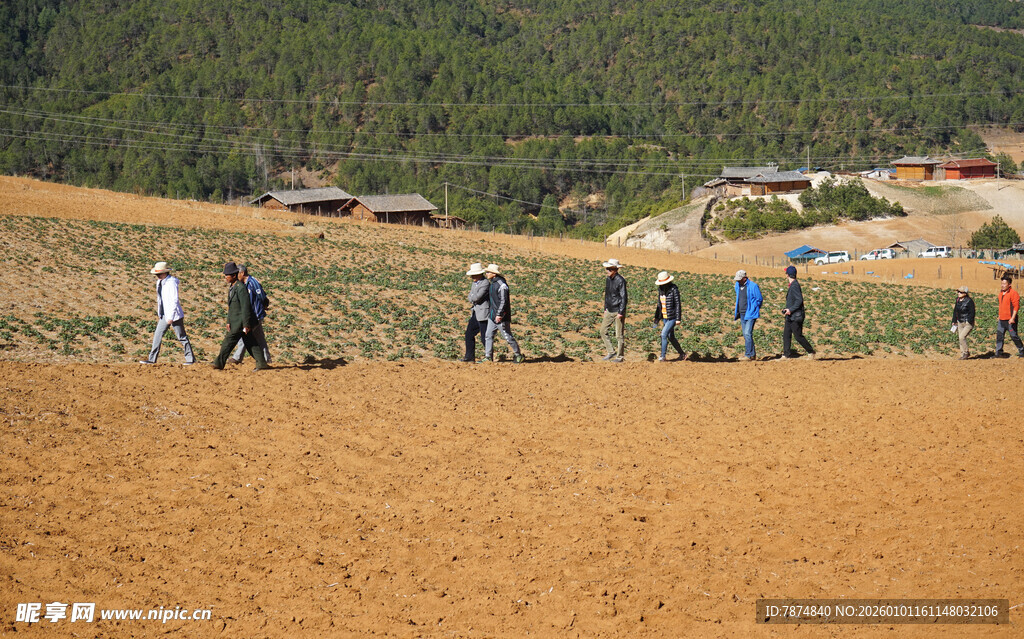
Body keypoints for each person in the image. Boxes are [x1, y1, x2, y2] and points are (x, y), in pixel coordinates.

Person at [211, 262, 268, 371]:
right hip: (235, 321)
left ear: (233, 275)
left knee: (228, 342)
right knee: (251, 343)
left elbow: (245, 307)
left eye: (227, 275)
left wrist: (246, 325)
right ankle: (261, 363)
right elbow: (232, 307)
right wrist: (228, 321)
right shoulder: (233, 287)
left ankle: (219, 363)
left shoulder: (241, 288)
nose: (225, 277)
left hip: (240, 322)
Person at [139, 261, 195, 365]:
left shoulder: (171, 282)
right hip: (164, 314)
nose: (157, 276)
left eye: (159, 274)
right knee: (157, 335)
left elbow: (174, 300)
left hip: (174, 314)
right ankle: (152, 359)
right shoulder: (160, 282)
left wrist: (171, 317)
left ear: (165, 273)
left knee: (181, 336)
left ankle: (190, 359)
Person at [228, 264, 271, 365]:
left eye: (237, 274)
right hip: (251, 315)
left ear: (242, 273)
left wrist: (264, 305)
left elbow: (262, 296)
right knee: (259, 337)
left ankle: (237, 357)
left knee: (244, 334)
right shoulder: (242, 284)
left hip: (255, 315)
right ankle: (266, 359)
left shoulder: (252, 282)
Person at [482, 264, 525, 363]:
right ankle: (488, 356)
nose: (486, 274)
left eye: (488, 272)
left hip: (501, 317)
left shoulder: (502, 285)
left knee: (507, 337)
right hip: (492, 315)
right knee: (488, 335)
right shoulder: (493, 283)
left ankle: (518, 355)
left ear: (494, 274)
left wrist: (499, 314)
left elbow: (503, 301)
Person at [780, 265, 815, 359]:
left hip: (796, 316)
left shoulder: (795, 285)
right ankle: (786, 354)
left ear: (787, 275)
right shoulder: (793, 284)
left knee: (798, 336)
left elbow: (799, 300)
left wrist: (790, 309)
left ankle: (811, 352)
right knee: (786, 335)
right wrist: (787, 310)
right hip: (790, 315)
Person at [653, 271, 685, 361]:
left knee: (663, 334)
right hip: (665, 317)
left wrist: (678, 318)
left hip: (672, 317)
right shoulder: (660, 290)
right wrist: (657, 318)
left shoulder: (674, 289)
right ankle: (682, 354)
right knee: (671, 337)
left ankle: (662, 356)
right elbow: (659, 305)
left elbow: (678, 304)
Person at [461, 263, 490, 362]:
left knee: (484, 337)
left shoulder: (485, 283)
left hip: (483, 314)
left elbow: (477, 297)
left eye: (474, 274)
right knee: (469, 334)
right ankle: (469, 357)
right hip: (475, 312)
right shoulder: (475, 283)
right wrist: (473, 297)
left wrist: (473, 297)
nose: (472, 277)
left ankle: (488, 357)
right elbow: (471, 296)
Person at [601, 258, 628, 362]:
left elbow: (623, 297)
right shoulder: (608, 279)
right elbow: (607, 295)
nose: (607, 270)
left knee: (619, 335)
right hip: (609, 309)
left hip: (617, 310)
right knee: (603, 331)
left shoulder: (621, 280)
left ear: (614, 270)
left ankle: (620, 357)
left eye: (609, 269)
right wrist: (605, 308)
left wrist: (621, 312)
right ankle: (611, 352)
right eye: (607, 268)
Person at [733, 269, 762, 360]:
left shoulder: (753, 286)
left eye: (739, 279)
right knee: (746, 335)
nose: (738, 281)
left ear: (745, 278)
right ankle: (752, 354)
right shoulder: (737, 286)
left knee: (747, 333)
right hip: (742, 313)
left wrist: (754, 308)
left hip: (750, 313)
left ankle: (748, 355)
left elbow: (759, 299)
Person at [995, 274, 1024, 358]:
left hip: (1010, 320)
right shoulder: (1001, 293)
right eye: (1001, 283)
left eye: (1004, 284)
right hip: (1002, 319)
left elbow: (1016, 307)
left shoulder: (1013, 293)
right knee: (999, 336)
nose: (1002, 285)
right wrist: (999, 315)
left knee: (1013, 335)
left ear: (1009, 284)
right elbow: (1001, 305)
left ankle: (1022, 350)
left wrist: (1012, 318)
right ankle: (998, 353)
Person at [951, 285, 975, 360]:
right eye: (958, 292)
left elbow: (972, 312)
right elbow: (955, 311)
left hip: (967, 323)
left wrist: (969, 320)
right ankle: (963, 354)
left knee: (962, 337)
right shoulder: (957, 300)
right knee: (960, 338)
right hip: (960, 322)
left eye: (960, 292)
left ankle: (966, 352)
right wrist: (954, 320)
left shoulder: (969, 301)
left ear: (965, 293)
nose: (958, 293)